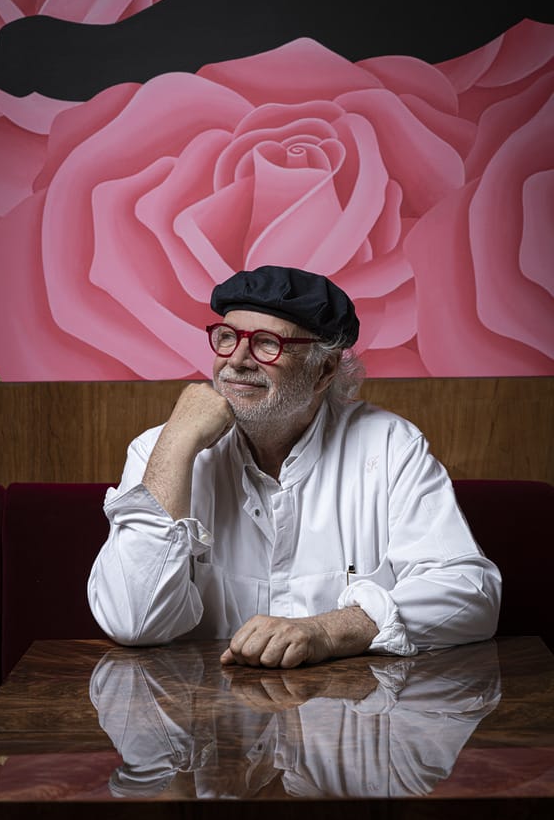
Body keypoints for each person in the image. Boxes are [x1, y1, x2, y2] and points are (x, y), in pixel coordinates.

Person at [87, 264, 501, 669]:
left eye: (268, 343)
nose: (238, 360)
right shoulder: (162, 450)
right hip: (208, 725)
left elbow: (470, 593)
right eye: (227, 337)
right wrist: (176, 444)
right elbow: (133, 621)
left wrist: (328, 631)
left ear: (323, 369)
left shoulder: (390, 446)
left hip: (353, 722)